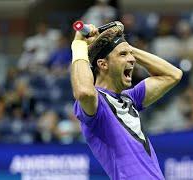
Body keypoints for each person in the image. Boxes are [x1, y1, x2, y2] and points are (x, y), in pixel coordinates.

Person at [70, 22, 183, 179]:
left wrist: (122, 45)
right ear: (103, 64)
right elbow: (83, 91)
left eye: (131, 55)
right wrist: (79, 44)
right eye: (123, 55)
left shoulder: (131, 99)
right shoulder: (97, 105)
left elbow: (173, 75)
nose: (132, 59)